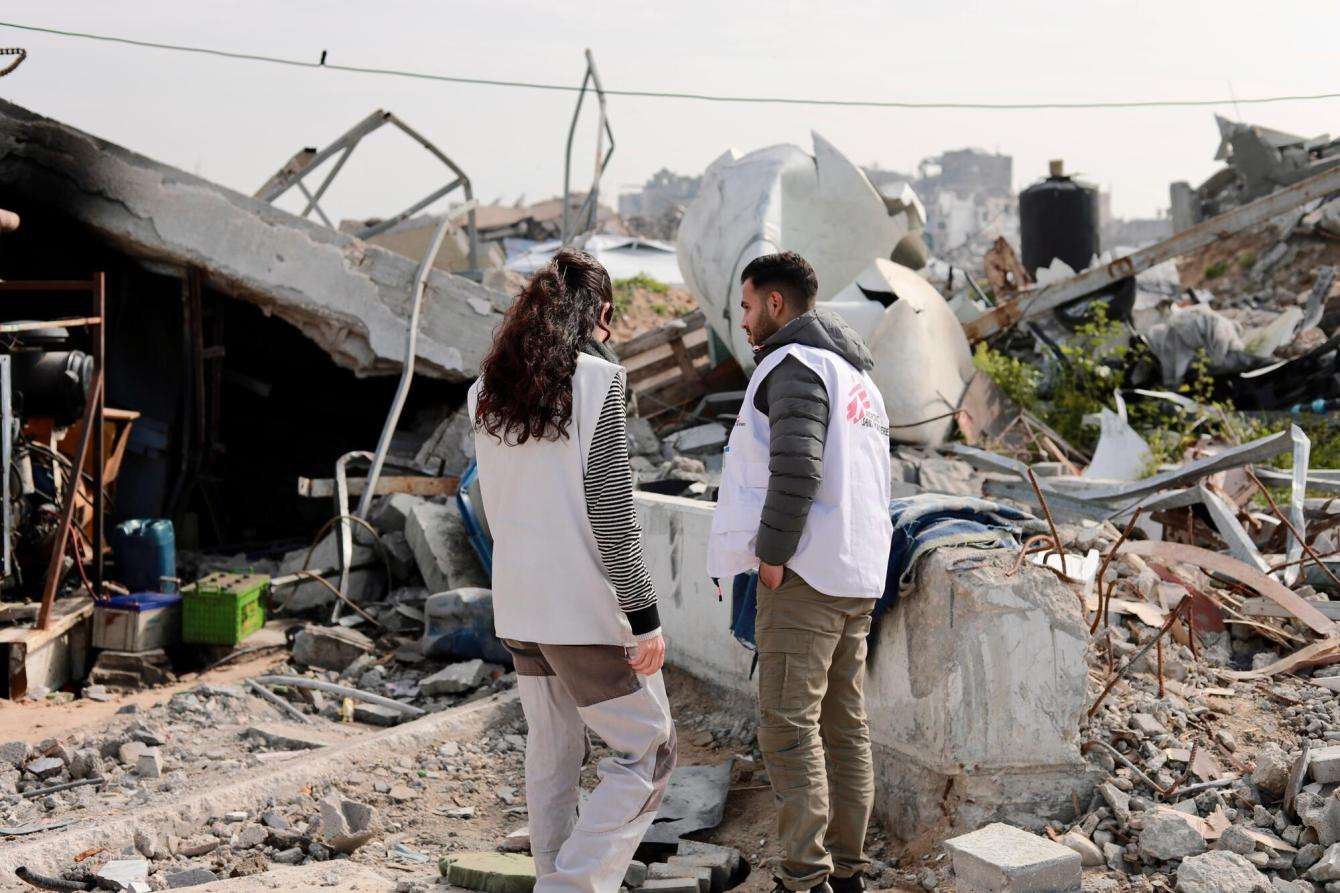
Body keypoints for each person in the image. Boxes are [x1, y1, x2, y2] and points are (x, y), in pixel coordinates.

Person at [469, 249, 676, 893]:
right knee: (650, 750)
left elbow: (490, 502)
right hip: (580, 606)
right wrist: (644, 618)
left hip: (519, 604)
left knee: (554, 752)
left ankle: (552, 875)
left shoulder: (485, 393)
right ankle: (571, 887)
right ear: (602, 315)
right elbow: (612, 507)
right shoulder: (598, 380)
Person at [707, 252, 892, 893]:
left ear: (777, 305)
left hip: (808, 575)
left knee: (788, 724)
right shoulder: (856, 376)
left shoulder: (793, 366)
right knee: (844, 725)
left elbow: (797, 469)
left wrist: (772, 558)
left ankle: (804, 877)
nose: (746, 320)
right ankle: (846, 870)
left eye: (750, 306)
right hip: (857, 573)